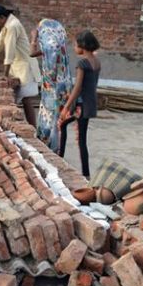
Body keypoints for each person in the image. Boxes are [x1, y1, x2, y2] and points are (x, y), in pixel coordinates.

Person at [0, 5, 42, 127]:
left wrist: (5, 74)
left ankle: (33, 129)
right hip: (19, 66)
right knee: (23, 100)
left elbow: (9, 51)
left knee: (26, 99)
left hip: (25, 67)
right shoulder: (7, 25)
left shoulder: (13, 26)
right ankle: (31, 128)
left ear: (2, 17)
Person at [58, 30, 101, 178]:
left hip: (81, 106)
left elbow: (78, 87)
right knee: (76, 134)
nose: (74, 47)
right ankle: (63, 160)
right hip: (90, 104)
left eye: (75, 45)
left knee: (81, 139)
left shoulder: (82, 63)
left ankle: (84, 172)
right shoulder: (96, 61)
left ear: (82, 45)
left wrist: (66, 107)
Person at [29, 19, 72, 153]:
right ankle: (54, 148)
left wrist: (33, 38)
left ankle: (51, 149)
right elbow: (32, 54)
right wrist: (34, 39)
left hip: (53, 89)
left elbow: (50, 68)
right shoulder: (56, 47)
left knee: (51, 120)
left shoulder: (50, 48)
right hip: (62, 87)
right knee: (55, 119)